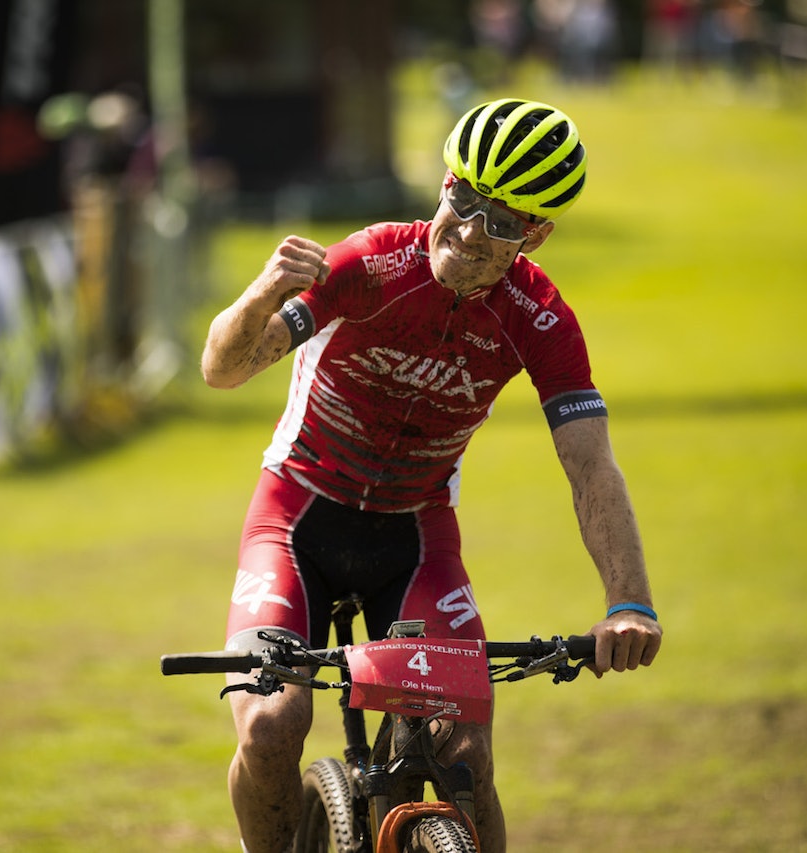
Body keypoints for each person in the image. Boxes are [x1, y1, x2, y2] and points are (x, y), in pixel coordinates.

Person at [201, 99, 662, 853]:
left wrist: (629, 600)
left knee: (466, 760)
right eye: (465, 199)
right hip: (297, 520)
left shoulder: (540, 318)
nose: (474, 230)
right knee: (273, 725)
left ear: (536, 235)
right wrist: (260, 294)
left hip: (415, 541)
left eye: (505, 221)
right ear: (445, 183)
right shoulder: (370, 263)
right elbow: (222, 369)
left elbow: (590, 464)